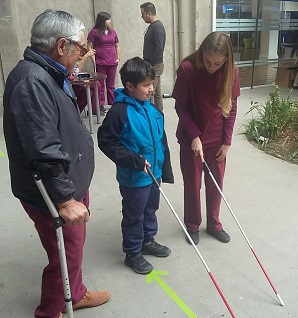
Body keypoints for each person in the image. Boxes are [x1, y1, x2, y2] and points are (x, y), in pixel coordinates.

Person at [2, 9, 110, 318]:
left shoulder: (47, 72)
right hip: (53, 192)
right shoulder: (32, 82)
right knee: (64, 253)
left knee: (72, 250)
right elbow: (43, 149)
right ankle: (50, 311)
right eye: (79, 48)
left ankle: (74, 294)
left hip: (67, 182)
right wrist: (64, 199)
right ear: (61, 46)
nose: (82, 54)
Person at [97, 57, 174, 275]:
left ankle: (147, 240)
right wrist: (134, 161)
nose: (151, 89)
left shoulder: (152, 110)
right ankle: (132, 252)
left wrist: (163, 169)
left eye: (153, 83)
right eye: (146, 85)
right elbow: (106, 142)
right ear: (130, 86)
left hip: (154, 173)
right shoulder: (119, 112)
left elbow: (160, 141)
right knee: (134, 214)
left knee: (151, 209)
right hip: (134, 176)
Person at [172, 31, 240, 245]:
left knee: (216, 183)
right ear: (201, 54)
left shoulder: (231, 72)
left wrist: (227, 141)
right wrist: (194, 135)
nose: (211, 66)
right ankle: (192, 224)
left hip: (217, 138)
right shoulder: (187, 69)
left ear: (226, 60)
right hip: (191, 136)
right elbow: (181, 106)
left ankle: (214, 224)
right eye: (208, 61)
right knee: (192, 184)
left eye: (217, 63)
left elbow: (232, 107)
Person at [87, 11, 120, 106]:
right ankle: (100, 105)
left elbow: (117, 45)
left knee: (111, 85)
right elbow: (89, 47)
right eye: (108, 19)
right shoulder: (94, 32)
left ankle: (112, 103)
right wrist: (93, 60)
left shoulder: (113, 32)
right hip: (100, 62)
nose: (110, 21)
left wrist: (118, 57)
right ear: (102, 21)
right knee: (100, 85)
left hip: (112, 62)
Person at [140, 2, 166, 111]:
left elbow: (159, 48)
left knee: (149, 92)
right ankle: (159, 114)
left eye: (143, 14)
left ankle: (149, 115)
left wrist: (150, 65)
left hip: (155, 65)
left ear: (149, 13)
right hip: (151, 64)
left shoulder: (157, 27)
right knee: (157, 93)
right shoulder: (152, 26)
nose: (142, 16)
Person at [71, 48, 106, 114]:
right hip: (70, 83)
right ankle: (75, 112)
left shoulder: (78, 54)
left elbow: (77, 70)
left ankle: (95, 109)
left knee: (96, 83)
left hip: (77, 79)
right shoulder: (70, 55)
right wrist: (86, 56)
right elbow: (76, 70)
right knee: (86, 92)